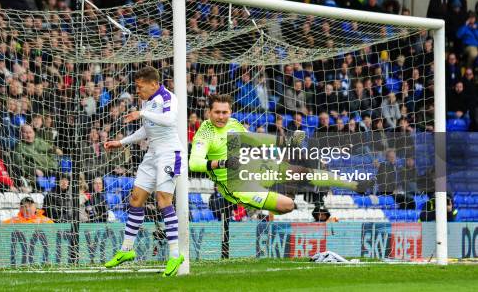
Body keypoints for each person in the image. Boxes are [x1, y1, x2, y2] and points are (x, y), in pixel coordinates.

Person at [188, 94, 373, 217]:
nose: (221, 116)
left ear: (230, 112)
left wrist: (283, 142)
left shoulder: (233, 124)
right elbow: (195, 164)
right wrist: (223, 162)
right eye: (217, 112)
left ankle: (355, 185)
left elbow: (256, 138)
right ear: (209, 113)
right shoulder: (204, 134)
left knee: (303, 172)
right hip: (237, 185)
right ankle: (251, 205)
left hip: (253, 167)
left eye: (225, 112)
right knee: (287, 206)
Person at [103, 66, 185, 276]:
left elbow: (169, 120)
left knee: (163, 200)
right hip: (152, 154)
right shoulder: (147, 102)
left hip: (169, 153)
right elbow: (147, 129)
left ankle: (175, 255)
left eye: (140, 87)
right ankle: (126, 250)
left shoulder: (168, 98)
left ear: (153, 84)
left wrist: (142, 112)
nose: (137, 91)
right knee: (136, 198)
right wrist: (121, 142)